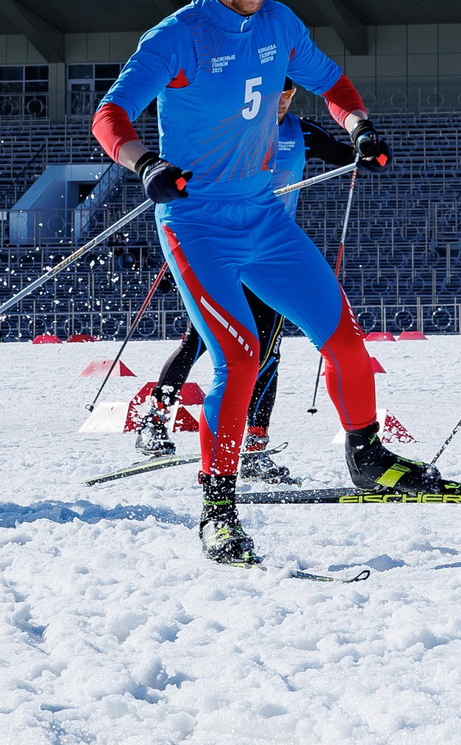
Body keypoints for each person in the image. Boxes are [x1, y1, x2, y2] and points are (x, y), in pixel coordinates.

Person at [92, 0, 436, 567]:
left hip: (265, 219)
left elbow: (332, 82)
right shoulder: (180, 36)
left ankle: (365, 453)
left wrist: (359, 125)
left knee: (344, 337)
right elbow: (109, 114)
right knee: (240, 354)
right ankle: (217, 508)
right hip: (197, 226)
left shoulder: (280, 24)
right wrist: (146, 164)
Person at [134, 85, 355, 479]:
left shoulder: (303, 134)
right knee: (199, 342)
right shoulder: (236, 129)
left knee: (267, 352)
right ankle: (154, 419)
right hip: (220, 247)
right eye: (276, 91)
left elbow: (344, 155)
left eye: (288, 92)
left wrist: (363, 149)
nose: (282, 99)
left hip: (269, 256)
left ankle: (254, 447)